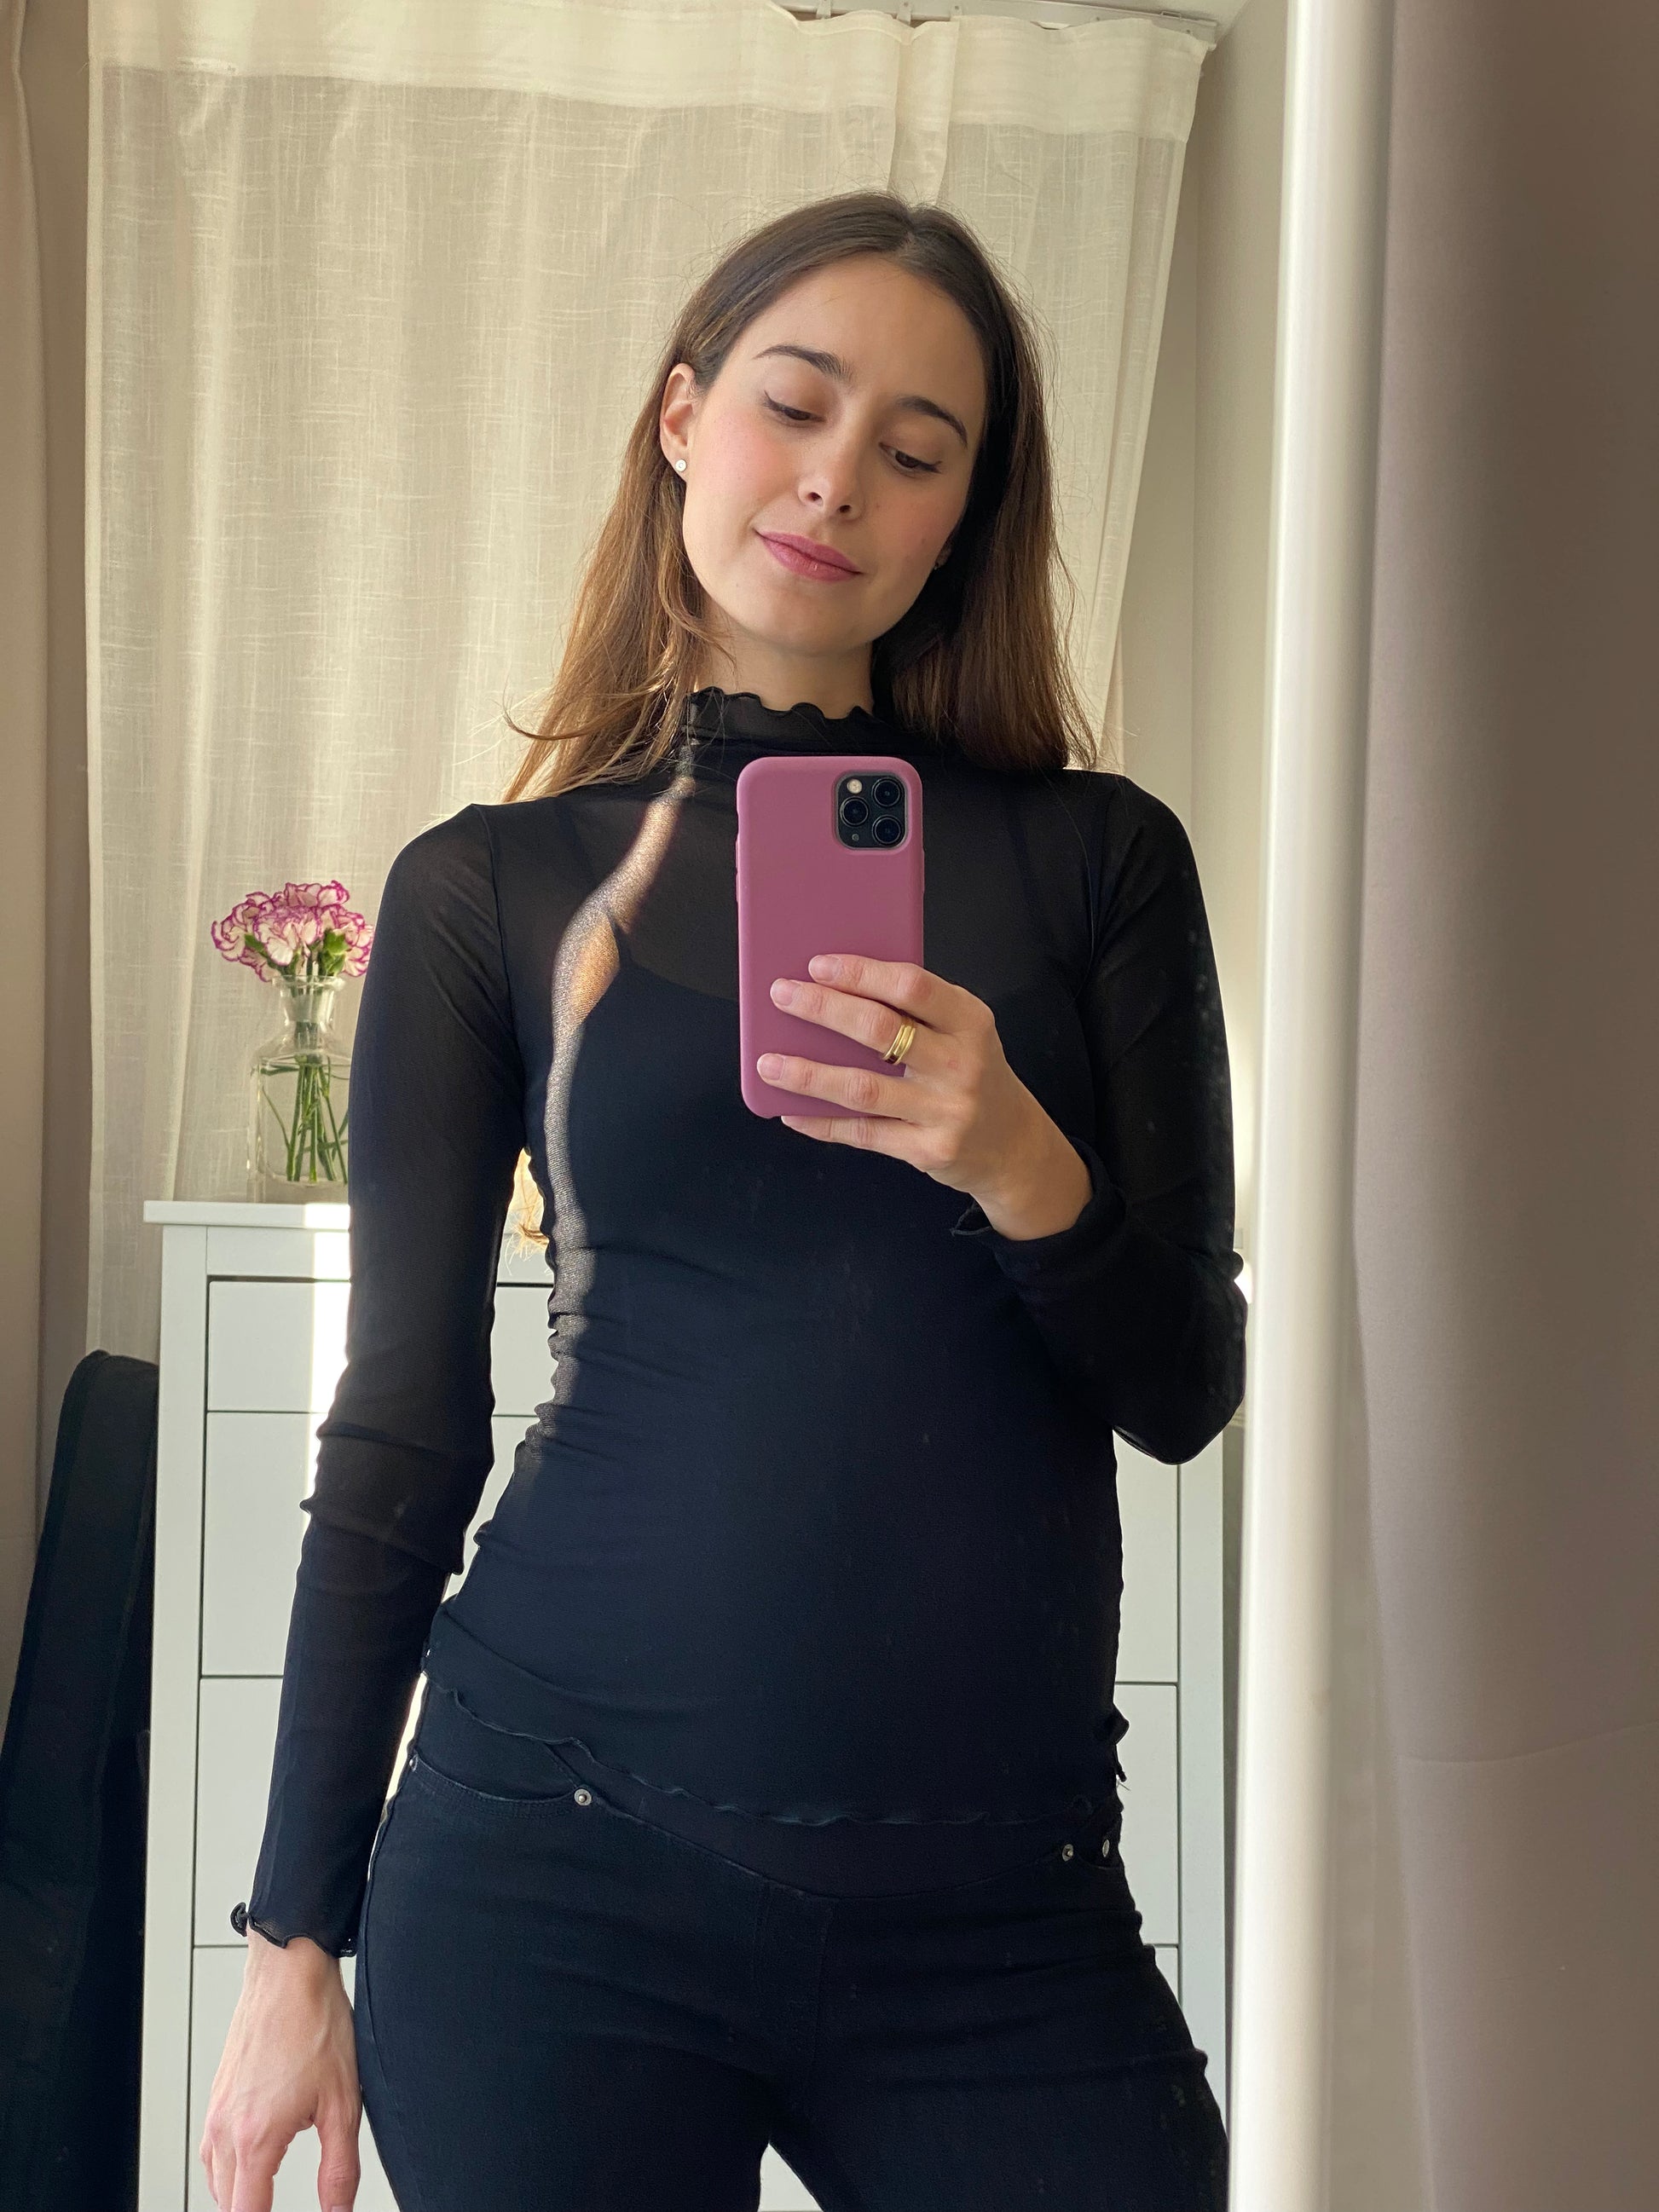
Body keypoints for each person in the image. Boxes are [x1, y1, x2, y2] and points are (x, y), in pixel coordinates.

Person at [199, 190, 1246, 2212]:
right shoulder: (486, 889)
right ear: (684, 418)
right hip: (552, 1869)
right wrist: (292, 1935)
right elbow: (401, 1426)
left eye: (916, 449)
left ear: (961, 518)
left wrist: (1016, 1158)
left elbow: (1183, 1380)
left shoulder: (1102, 861)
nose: (838, 477)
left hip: (1003, 1917)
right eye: (794, 403)